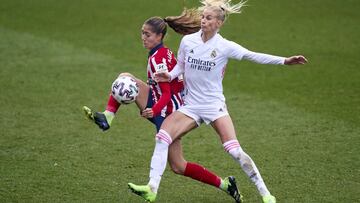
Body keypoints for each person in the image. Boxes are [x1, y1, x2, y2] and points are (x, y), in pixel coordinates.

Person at [128, 1, 308, 203]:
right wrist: (168, 75)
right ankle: (152, 188)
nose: (204, 21)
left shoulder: (224, 46)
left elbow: (252, 55)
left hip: (214, 107)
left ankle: (266, 194)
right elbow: (180, 67)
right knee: (162, 137)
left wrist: (285, 60)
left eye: (208, 18)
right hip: (191, 106)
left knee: (235, 151)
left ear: (219, 23)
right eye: (203, 17)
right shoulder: (188, 41)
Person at [83, 16, 242, 203]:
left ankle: (224, 185)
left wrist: (154, 111)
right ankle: (107, 117)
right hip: (164, 100)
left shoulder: (158, 59)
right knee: (126, 77)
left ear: (159, 36)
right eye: (142, 33)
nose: (143, 37)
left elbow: (166, 94)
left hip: (168, 110)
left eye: (148, 34)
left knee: (178, 166)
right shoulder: (161, 52)